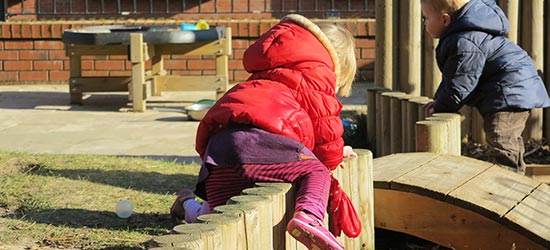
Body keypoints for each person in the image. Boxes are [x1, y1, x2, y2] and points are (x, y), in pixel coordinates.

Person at [170, 14, 358, 250]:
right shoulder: (318, 73)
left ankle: (186, 203)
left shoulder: (268, 70)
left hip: (220, 150)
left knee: (215, 216)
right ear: (337, 66)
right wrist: (335, 156)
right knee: (316, 170)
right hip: (264, 141)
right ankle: (309, 216)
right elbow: (325, 128)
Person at [421, 0, 550, 173]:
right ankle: (514, 178)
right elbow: (453, 77)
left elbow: (461, 82)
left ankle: (505, 180)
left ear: (445, 20)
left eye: (426, 18)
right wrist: (439, 100)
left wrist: (443, 105)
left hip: (509, 90)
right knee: (507, 138)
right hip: (510, 87)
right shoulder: (464, 36)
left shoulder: (465, 41)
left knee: (500, 135)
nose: (424, 23)